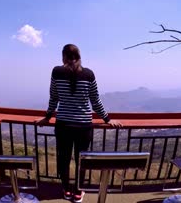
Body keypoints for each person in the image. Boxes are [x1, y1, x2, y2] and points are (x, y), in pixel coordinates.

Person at [36, 44, 122, 203]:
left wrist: (47, 118)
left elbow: (53, 98)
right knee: (81, 159)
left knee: (64, 159)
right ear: (79, 57)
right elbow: (95, 101)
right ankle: (78, 191)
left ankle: (66, 190)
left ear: (63, 57)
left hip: (63, 125)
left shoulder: (56, 72)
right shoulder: (89, 74)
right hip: (83, 126)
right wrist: (108, 120)